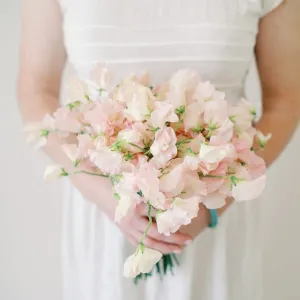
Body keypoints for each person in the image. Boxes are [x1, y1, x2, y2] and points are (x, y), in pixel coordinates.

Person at [18, 0, 300, 299]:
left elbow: (285, 100)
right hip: (104, 209)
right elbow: (36, 91)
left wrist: (212, 207)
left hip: (213, 207)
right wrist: (107, 196)